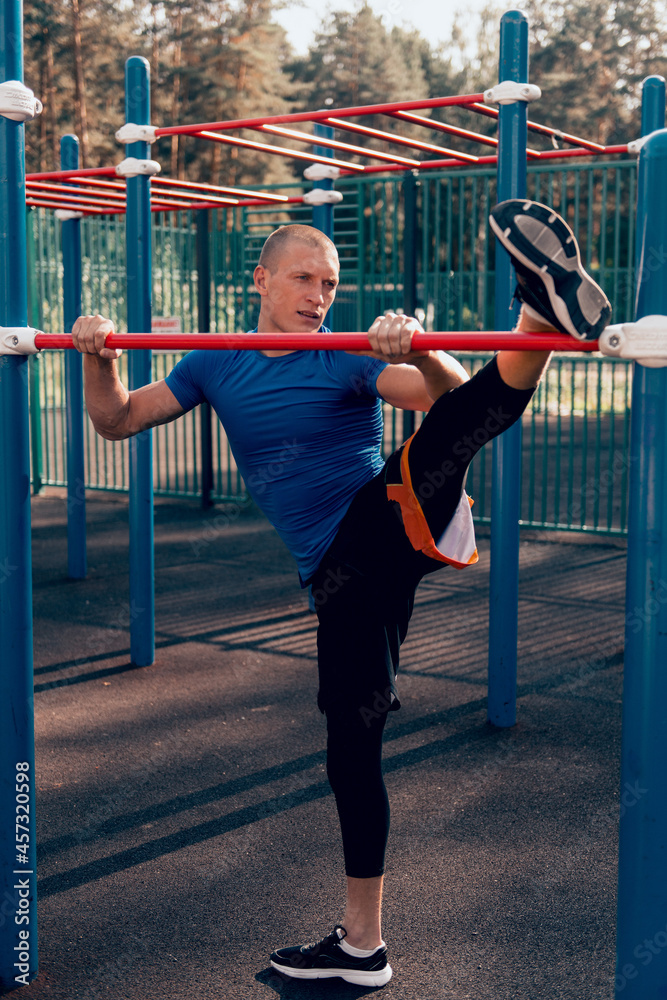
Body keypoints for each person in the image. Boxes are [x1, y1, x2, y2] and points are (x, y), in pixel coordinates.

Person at [72, 199, 610, 988]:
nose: (319, 296)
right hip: (343, 577)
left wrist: (419, 350)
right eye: (303, 279)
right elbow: (115, 420)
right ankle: (363, 948)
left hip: (379, 518)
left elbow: (446, 399)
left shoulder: (345, 356)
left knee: (446, 438)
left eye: (328, 283)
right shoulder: (210, 363)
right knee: (350, 752)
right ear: (260, 281)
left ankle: (539, 315)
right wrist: (97, 352)